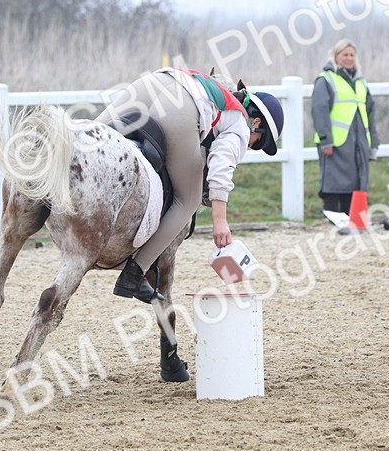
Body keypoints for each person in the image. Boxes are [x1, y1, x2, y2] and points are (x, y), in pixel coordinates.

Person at [99, 67, 285, 303]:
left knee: (88, 138)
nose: (250, 147)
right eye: (256, 143)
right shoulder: (240, 122)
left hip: (155, 82)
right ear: (256, 122)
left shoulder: (221, 97)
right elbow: (220, 170)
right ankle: (133, 275)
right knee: (188, 200)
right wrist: (220, 221)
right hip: (182, 108)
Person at [312, 39, 379, 216]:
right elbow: (320, 110)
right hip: (335, 144)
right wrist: (326, 140)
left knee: (356, 184)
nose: (349, 58)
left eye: (352, 55)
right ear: (336, 56)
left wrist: (374, 144)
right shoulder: (326, 79)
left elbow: (370, 113)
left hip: (358, 143)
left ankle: (353, 221)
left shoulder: (360, 83)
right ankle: (332, 219)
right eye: (345, 55)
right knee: (333, 184)